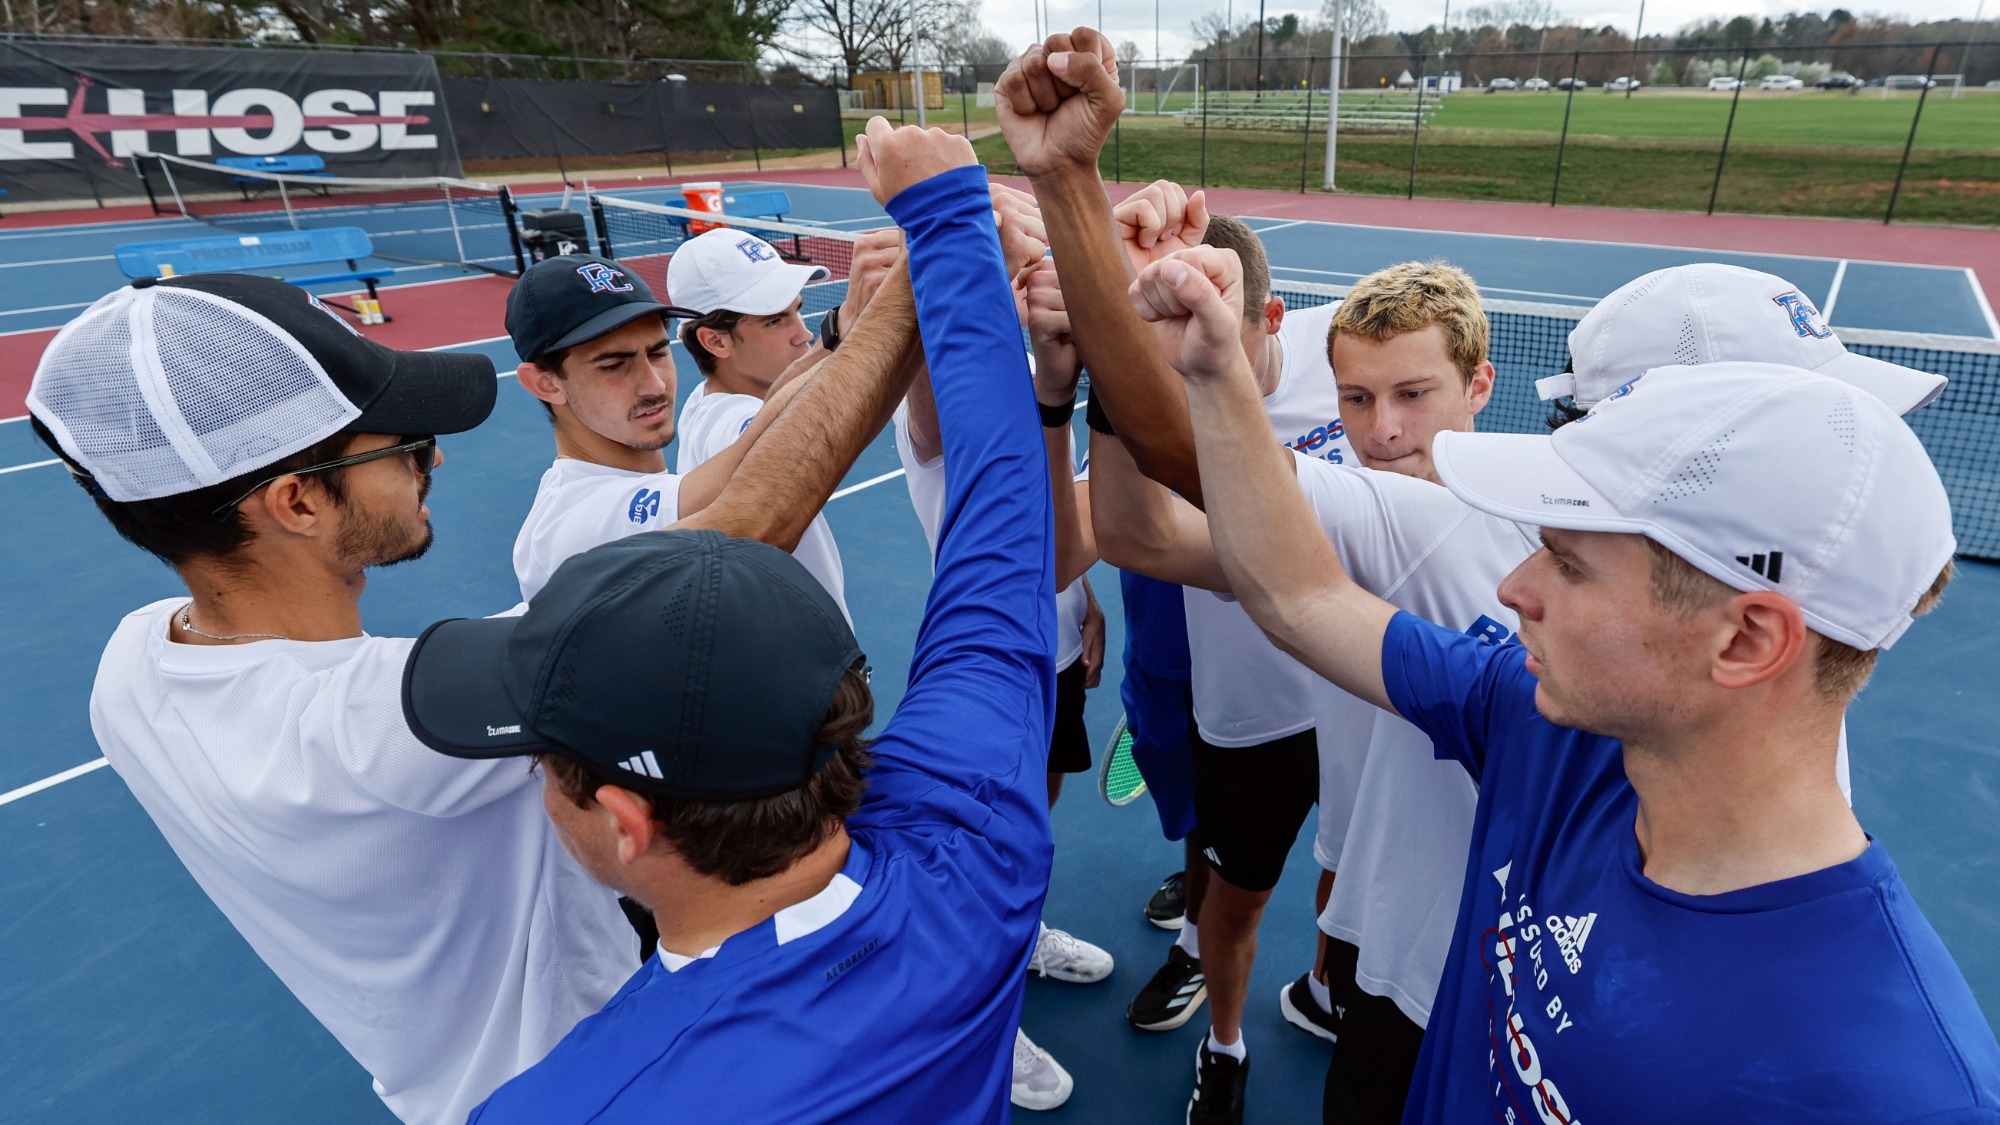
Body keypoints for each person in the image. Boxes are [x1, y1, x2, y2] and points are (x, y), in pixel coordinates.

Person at [1126, 232, 2000, 1118]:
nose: (1515, 588)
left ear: (1746, 641)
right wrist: (1199, 368)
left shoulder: (1894, 1087)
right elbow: (1298, 592)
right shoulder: (1536, 725)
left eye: (1570, 562)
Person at [408, 118, 1061, 1124]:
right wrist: (946, 228)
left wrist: (907, 279)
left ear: (627, 821)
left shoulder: (581, 1100)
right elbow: (1001, 552)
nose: (649, 380)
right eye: (608, 365)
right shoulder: (976, 846)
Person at [893, 248, 1116, 1111]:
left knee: (1037, 819)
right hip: (986, 674)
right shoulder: (940, 395)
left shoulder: (1034, 373)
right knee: (984, 850)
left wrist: (1086, 598)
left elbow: (1054, 504)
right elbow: (932, 371)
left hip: (1052, 650)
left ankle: (1018, 943)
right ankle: (985, 1018)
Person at [506, 240, 903, 604]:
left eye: (659, 353)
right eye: (614, 365)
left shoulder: (688, 425)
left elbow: (771, 420)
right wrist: (878, 317)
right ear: (544, 382)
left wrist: (844, 337)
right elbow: (765, 492)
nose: (654, 384)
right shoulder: (567, 526)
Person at [665, 224, 907, 618]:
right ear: (715, 341)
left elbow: (785, 398)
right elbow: (822, 424)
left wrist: (840, 335)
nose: (803, 334)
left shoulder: (705, 400)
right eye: (775, 321)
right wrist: (873, 322)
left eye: (796, 311)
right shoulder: (733, 424)